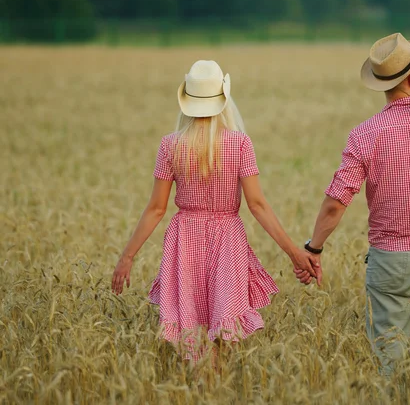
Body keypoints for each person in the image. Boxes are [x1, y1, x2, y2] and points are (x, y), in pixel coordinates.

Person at [295, 33, 410, 374]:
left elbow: (337, 202)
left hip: (391, 260)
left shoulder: (365, 133)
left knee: (390, 363)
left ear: (382, 83)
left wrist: (314, 248)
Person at [111, 60, 318, 362]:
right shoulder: (240, 144)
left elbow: (156, 209)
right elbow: (257, 205)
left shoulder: (170, 146)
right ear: (222, 99)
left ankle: (199, 388)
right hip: (227, 240)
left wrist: (126, 257)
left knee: (191, 330)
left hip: (184, 239)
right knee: (225, 328)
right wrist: (294, 253)